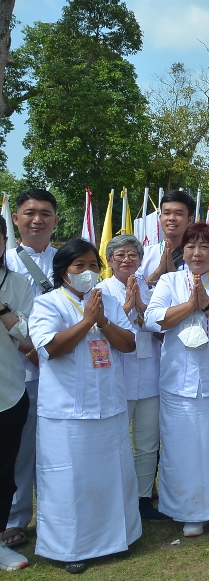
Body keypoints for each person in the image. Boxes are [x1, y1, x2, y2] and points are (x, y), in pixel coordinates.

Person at [30, 239, 139, 574]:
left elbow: (129, 343)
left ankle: (118, 540)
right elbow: (50, 349)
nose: (88, 272)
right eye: (79, 266)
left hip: (108, 405)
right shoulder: (47, 304)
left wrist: (103, 321)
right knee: (69, 481)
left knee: (113, 476)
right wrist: (86, 320)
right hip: (66, 413)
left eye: (94, 265)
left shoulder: (108, 300)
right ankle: (71, 548)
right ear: (64, 272)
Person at [145, 223, 209, 537]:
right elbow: (153, 319)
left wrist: (206, 304)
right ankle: (189, 511)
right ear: (183, 251)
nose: (197, 253)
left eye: (205, 246)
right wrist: (190, 305)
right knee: (184, 447)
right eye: (191, 246)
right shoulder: (169, 280)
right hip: (179, 382)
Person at [99, 234, 169, 522]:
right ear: (109, 260)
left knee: (148, 443)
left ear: (141, 260)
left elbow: (165, 329)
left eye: (133, 255)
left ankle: (143, 499)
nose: (127, 260)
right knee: (115, 442)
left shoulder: (153, 290)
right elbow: (100, 332)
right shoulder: (100, 291)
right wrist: (126, 308)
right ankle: (115, 498)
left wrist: (142, 306)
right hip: (119, 377)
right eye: (120, 255)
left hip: (151, 375)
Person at [4, 189, 59, 551]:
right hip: (21, 374)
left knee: (57, 450)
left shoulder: (70, 257)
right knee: (20, 452)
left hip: (61, 371)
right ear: (16, 219)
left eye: (44, 213)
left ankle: (58, 515)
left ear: (56, 219)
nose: (36, 219)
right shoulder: (7, 261)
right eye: (28, 213)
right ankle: (15, 518)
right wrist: (32, 353)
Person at [0, 216, 34, 571]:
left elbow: (28, 334)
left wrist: (3, 310)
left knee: (4, 470)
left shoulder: (18, 283)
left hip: (8, 390)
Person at [140, 190, 196, 288]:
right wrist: (159, 271)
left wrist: (171, 270)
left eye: (178, 214)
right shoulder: (144, 254)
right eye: (167, 213)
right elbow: (135, 292)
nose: (171, 218)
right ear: (160, 217)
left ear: (190, 220)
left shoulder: (198, 256)